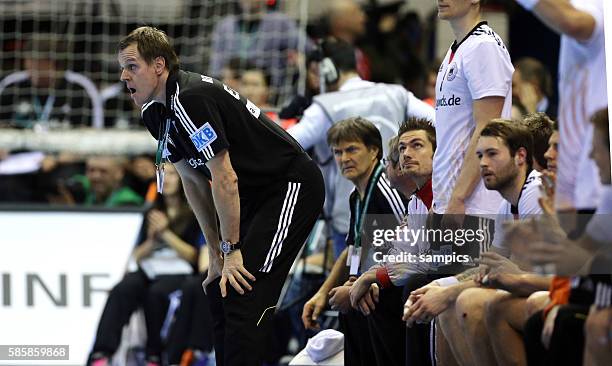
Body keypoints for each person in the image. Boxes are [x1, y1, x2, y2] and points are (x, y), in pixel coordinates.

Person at [117, 26, 324, 366]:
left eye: (131, 66)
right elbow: (192, 181)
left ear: (158, 65)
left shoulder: (190, 98)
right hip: (252, 194)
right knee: (218, 287)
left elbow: (223, 177)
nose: (124, 75)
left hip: (289, 186)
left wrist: (231, 250)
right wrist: (215, 251)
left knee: (245, 289)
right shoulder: (155, 112)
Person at [404, 120, 546, 365]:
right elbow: (487, 270)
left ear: (520, 156)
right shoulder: (506, 204)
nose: (482, 163)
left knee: (468, 302)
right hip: (539, 286)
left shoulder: (536, 193)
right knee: (446, 299)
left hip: (559, 290)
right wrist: (442, 285)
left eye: (492, 154)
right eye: (479, 155)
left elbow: (518, 276)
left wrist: (448, 294)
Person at [288, 37, 434, 260]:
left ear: (327, 69)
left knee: (365, 279)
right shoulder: (397, 94)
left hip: (350, 214)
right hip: (397, 202)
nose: (313, 80)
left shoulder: (324, 106)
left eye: (315, 73)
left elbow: (286, 144)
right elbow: (440, 124)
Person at [301, 117, 407, 366]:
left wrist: (362, 284)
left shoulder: (385, 189)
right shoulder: (356, 196)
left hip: (393, 293)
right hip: (370, 287)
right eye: (337, 152)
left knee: (359, 304)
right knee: (350, 307)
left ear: (374, 151)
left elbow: (404, 246)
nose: (344, 158)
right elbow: (353, 249)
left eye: (352, 149)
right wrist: (322, 294)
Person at [89, 164, 203, 366]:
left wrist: (166, 233)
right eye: (162, 175)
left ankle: (154, 355)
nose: (166, 180)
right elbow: (136, 255)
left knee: (155, 294)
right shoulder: (150, 211)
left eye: (171, 175)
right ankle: (101, 353)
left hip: (179, 270)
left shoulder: (196, 211)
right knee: (123, 289)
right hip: (150, 266)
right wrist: (152, 238)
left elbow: (195, 258)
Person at [431, 0, 513, 272]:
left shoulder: (484, 47)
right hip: (451, 200)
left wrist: (459, 197)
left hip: (476, 205)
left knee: (460, 305)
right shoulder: (458, 49)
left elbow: (487, 129)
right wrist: (441, 199)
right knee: (434, 306)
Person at [350, 117, 436, 366]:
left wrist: (371, 277)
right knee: (365, 299)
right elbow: (400, 253)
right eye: (402, 149)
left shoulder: (446, 195)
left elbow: (426, 262)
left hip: (454, 277)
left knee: (412, 287)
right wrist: (370, 278)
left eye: (417, 146)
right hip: (426, 274)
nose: (406, 154)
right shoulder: (417, 201)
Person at [514, 0, 606, 229]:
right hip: (579, 185)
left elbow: (571, 21)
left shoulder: (597, 6)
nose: (548, 154)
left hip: (595, 183)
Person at [208, 0, 304, 104]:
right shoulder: (225, 26)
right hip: (231, 94)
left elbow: (307, 48)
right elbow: (216, 70)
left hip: (269, 94)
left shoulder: (279, 22)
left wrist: (298, 59)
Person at [0, 35, 103, 128]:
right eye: (28, 64)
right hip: (20, 149)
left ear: (52, 64)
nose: (30, 69)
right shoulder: (12, 85)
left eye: (37, 64)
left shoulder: (80, 87)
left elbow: (94, 131)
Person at [69, 155, 143, 207]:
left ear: (118, 173)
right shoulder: (81, 189)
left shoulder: (129, 203)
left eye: (103, 171)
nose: (96, 176)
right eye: (91, 170)